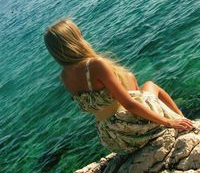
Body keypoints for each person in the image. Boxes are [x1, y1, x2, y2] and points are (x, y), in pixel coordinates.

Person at [44, 19, 193, 153]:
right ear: (74, 40)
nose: (82, 35)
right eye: (79, 33)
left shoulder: (64, 76)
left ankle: (179, 118)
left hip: (111, 138)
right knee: (150, 85)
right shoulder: (95, 65)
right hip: (129, 129)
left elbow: (98, 102)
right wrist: (168, 122)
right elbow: (129, 105)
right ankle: (182, 118)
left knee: (130, 80)